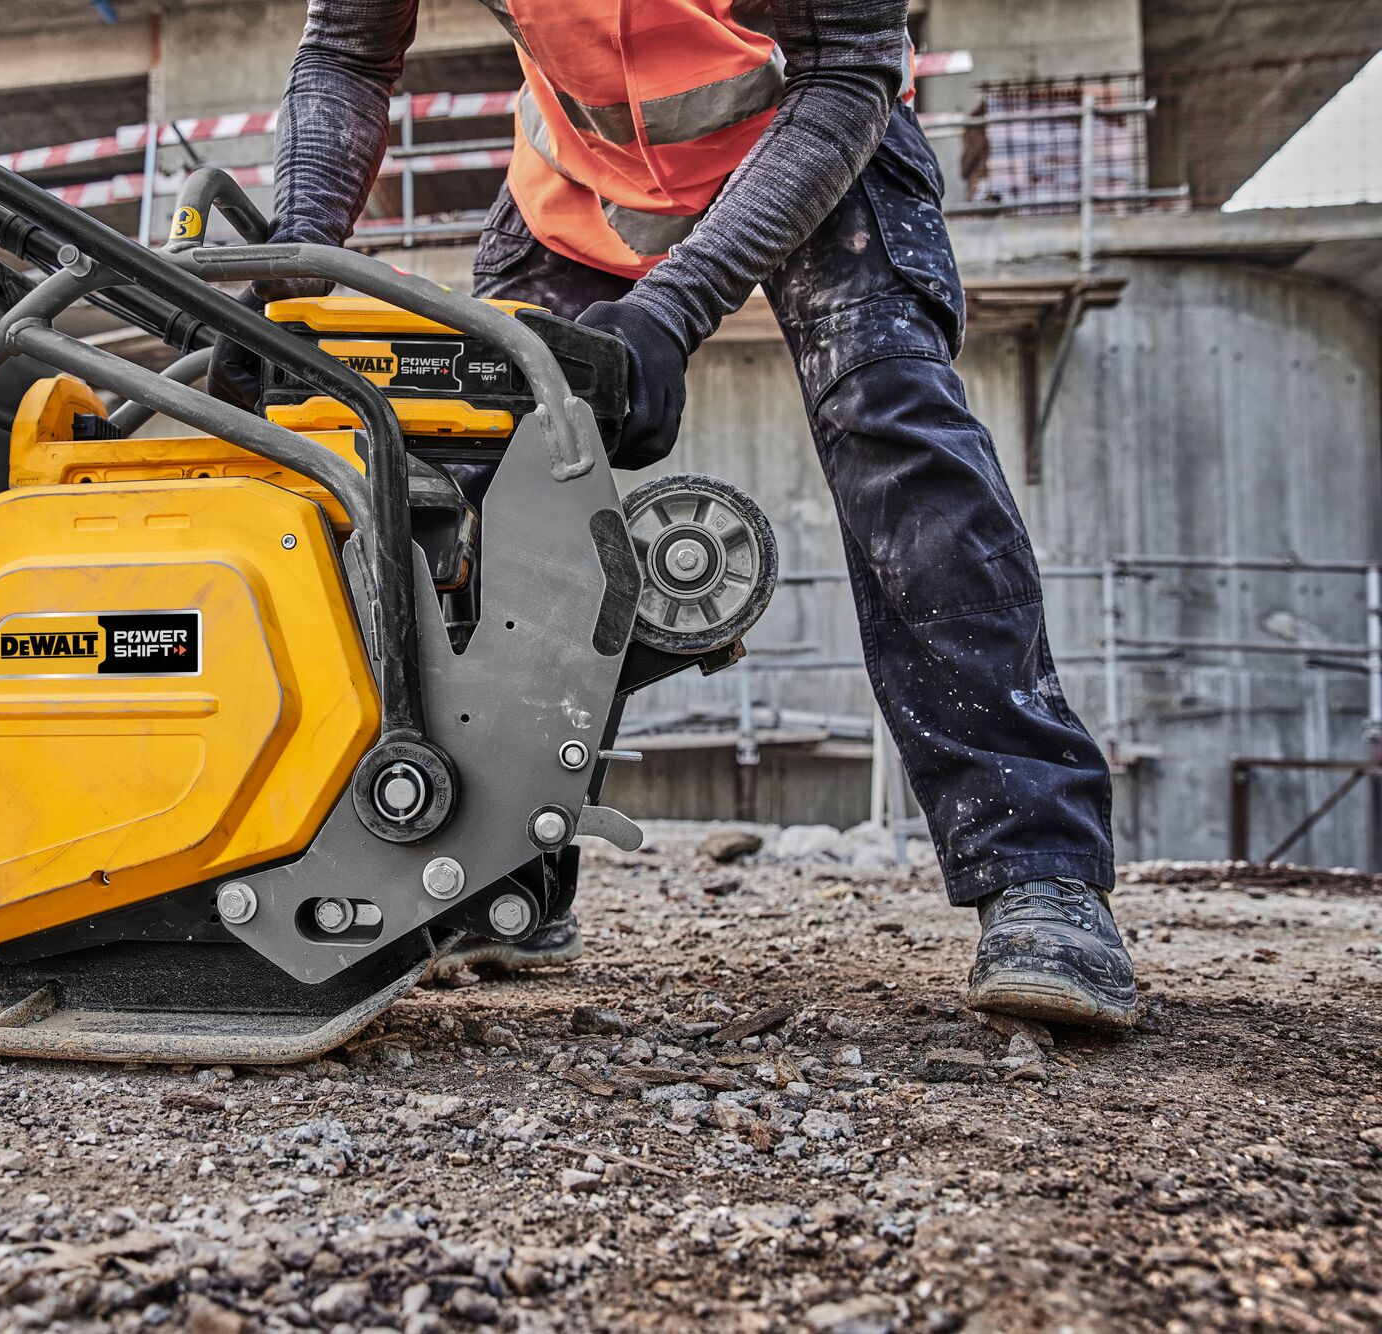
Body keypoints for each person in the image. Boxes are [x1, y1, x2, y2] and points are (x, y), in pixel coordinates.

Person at [216, 0, 1138, 1029]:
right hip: (576, 180)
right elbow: (346, 50)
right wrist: (287, 276)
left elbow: (847, 64)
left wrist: (674, 307)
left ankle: (1038, 874)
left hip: (813, 139)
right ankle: (490, 871)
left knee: (894, 434)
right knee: (473, 483)